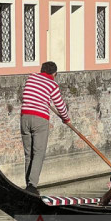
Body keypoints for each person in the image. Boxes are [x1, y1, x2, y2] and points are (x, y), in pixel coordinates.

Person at [20, 61, 71, 195]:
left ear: (41, 70)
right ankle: (32, 186)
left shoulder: (31, 77)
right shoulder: (52, 84)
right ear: (54, 74)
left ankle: (28, 185)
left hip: (24, 117)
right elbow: (60, 106)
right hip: (40, 120)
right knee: (38, 153)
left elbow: (27, 95)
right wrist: (66, 119)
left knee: (28, 154)